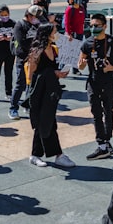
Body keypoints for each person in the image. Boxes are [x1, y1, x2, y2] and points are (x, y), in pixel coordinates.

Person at [22, 25, 76, 169]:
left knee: (48, 122)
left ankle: (41, 154)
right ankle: (53, 154)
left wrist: (59, 73)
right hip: (39, 93)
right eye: (54, 32)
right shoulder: (37, 52)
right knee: (44, 122)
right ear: (47, 34)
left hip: (51, 92)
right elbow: (30, 76)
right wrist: (53, 74)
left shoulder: (53, 49)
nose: (56, 34)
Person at [80, 12, 113, 159]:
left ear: (105, 26)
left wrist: (112, 68)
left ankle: (107, 140)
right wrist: (80, 65)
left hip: (108, 82)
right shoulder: (87, 43)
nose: (93, 28)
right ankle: (101, 144)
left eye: (96, 26)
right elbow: (81, 64)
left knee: (108, 111)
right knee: (96, 112)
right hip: (93, 82)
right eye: (91, 26)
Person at [9, 5, 44, 120]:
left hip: (35, 58)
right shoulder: (19, 25)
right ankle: (13, 108)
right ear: (28, 15)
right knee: (21, 84)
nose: (36, 18)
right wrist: (34, 49)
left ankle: (27, 105)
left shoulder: (36, 24)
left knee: (32, 83)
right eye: (34, 16)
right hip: (23, 58)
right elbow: (22, 42)